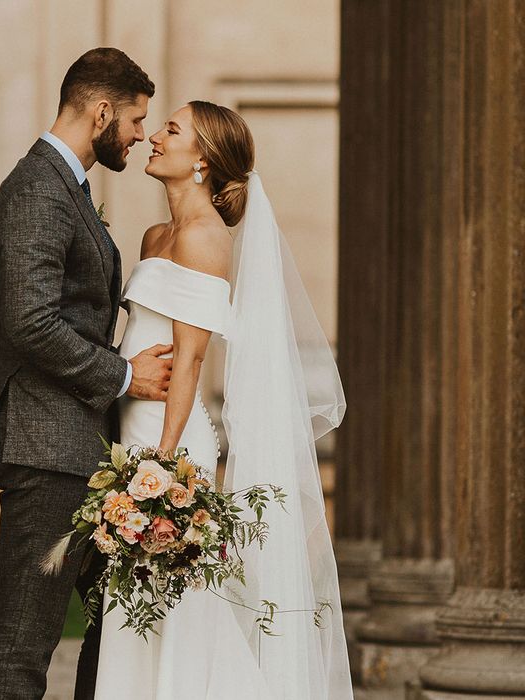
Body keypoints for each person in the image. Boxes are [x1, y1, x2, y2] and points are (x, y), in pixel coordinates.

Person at [93, 101, 354, 698]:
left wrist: (160, 465)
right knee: (133, 608)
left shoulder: (208, 238)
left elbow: (189, 360)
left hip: (169, 443)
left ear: (203, 162)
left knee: (180, 604)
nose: (154, 136)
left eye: (172, 130)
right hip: (130, 432)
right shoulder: (154, 235)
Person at [0, 48, 173, 699]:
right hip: (44, 446)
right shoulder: (38, 191)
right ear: (102, 110)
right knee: (25, 640)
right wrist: (124, 377)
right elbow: (32, 322)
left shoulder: (62, 189)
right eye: (137, 120)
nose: (141, 135)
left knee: (115, 619)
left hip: (72, 444)